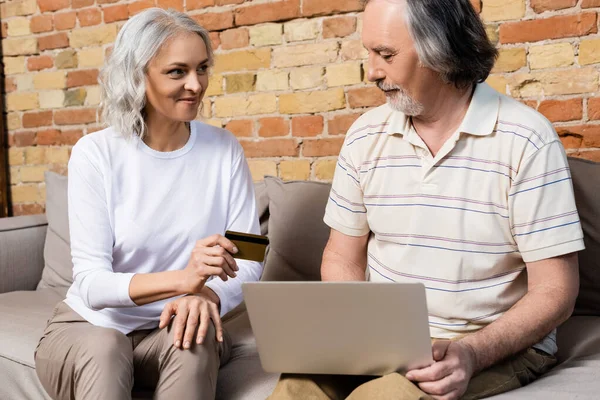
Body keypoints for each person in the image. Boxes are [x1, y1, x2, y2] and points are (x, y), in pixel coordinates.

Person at [269, 0, 584, 399]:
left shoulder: (527, 140)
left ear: (442, 51)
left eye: (386, 55)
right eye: (368, 52)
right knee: (296, 385)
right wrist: (362, 330)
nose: (372, 71)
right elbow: (342, 257)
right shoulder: (365, 135)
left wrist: (470, 354)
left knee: (382, 397)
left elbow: (555, 291)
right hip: (385, 341)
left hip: (485, 344)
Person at [34, 8, 262, 400]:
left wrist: (206, 294)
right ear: (138, 75)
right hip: (91, 326)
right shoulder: (96, 154)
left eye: (202, 68)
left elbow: (251, 255)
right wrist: (184, 280)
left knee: (193, 341)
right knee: (107, 349)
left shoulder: (224, 149)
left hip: (175, 324)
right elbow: (91, 284)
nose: (196, 84)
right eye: (177, 72)